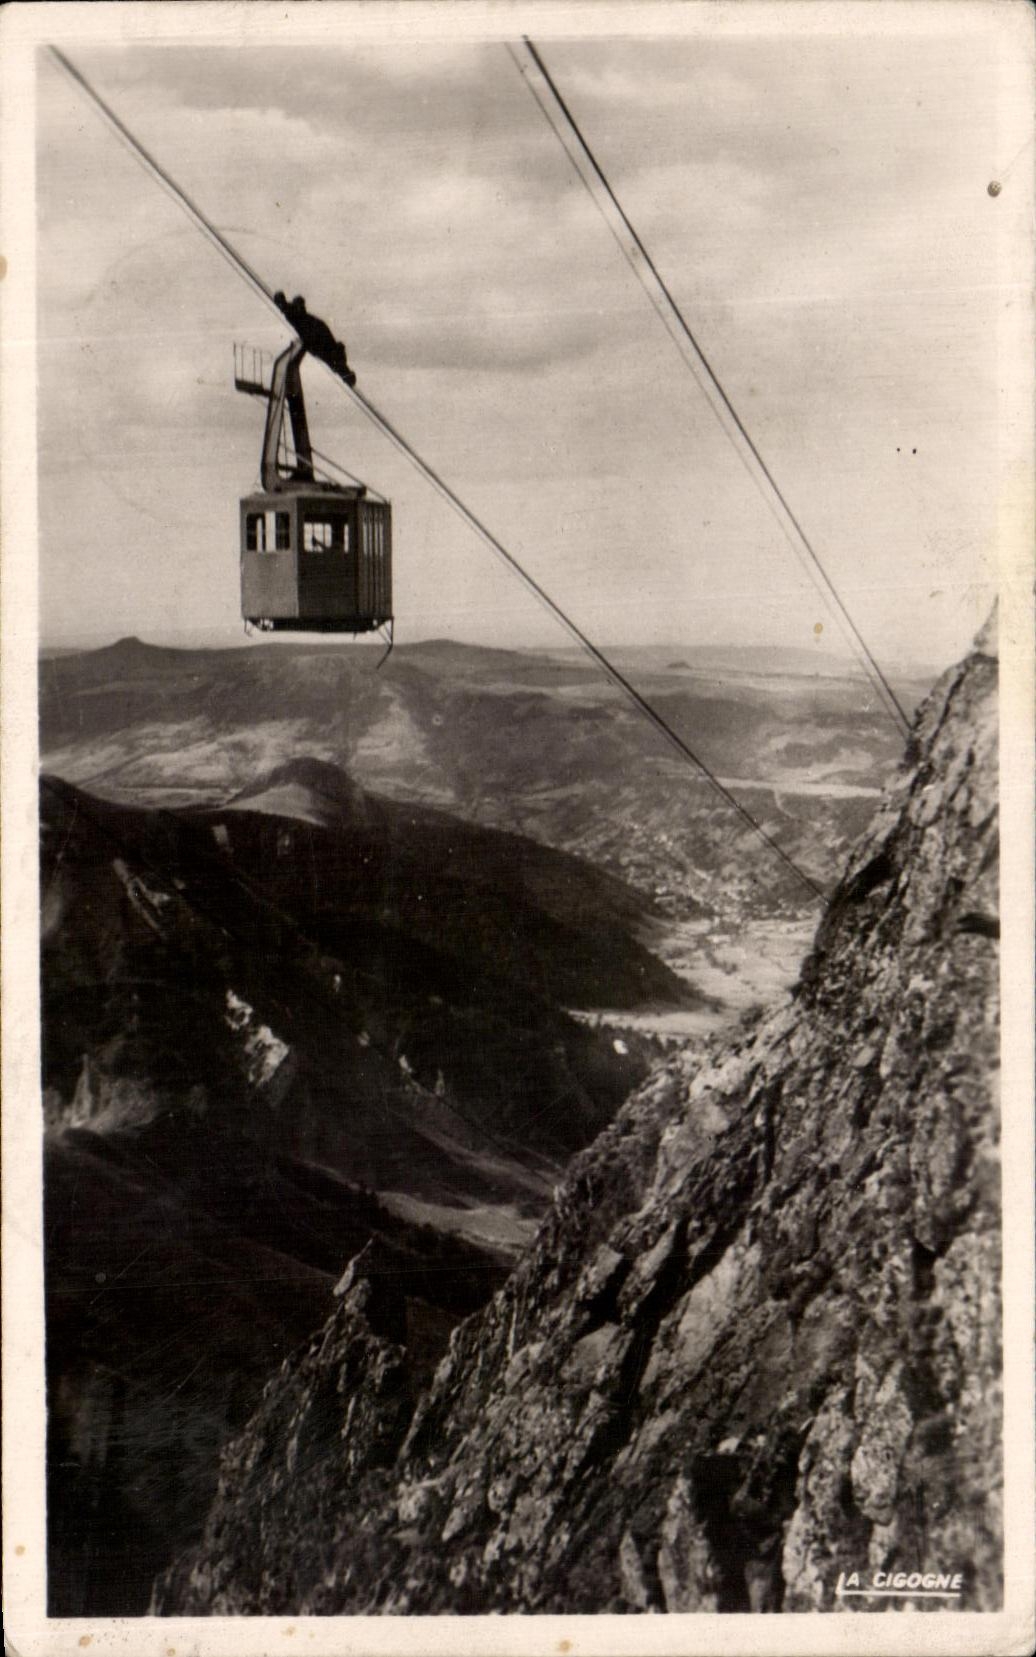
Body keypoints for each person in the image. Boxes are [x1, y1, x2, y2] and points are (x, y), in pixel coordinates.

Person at [273, 291, 357, 387]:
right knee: (333, 360)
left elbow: (305, 327)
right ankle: (348, 378)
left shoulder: (291, 312)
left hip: (317, 336)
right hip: (318, 336)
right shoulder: (292, 312)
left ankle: (348, 378)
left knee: (332, 360)